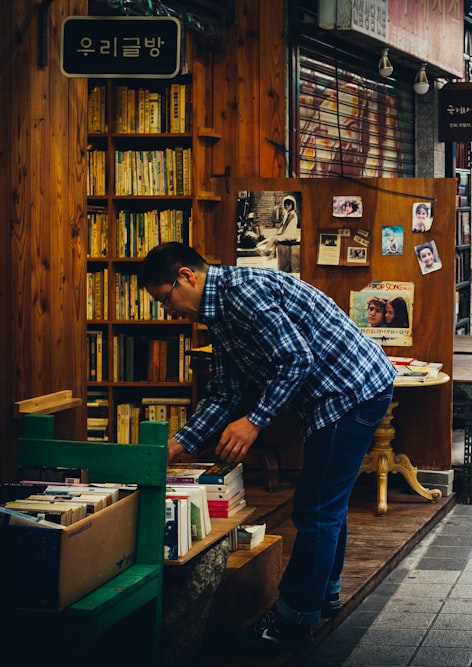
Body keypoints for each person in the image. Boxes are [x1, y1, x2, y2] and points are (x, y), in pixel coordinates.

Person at [139, 242, 395, 651]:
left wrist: (253, 422)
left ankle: (293, 620)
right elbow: (224, 393)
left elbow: (296, 359)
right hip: (336, 395)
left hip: (351, 391)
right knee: (327, 500)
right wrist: (176, 445)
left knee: (315, 508)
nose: (169, 310)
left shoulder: (242, 293)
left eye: (165, 299)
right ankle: (324, 594)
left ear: (187, 276)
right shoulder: (218, 315)